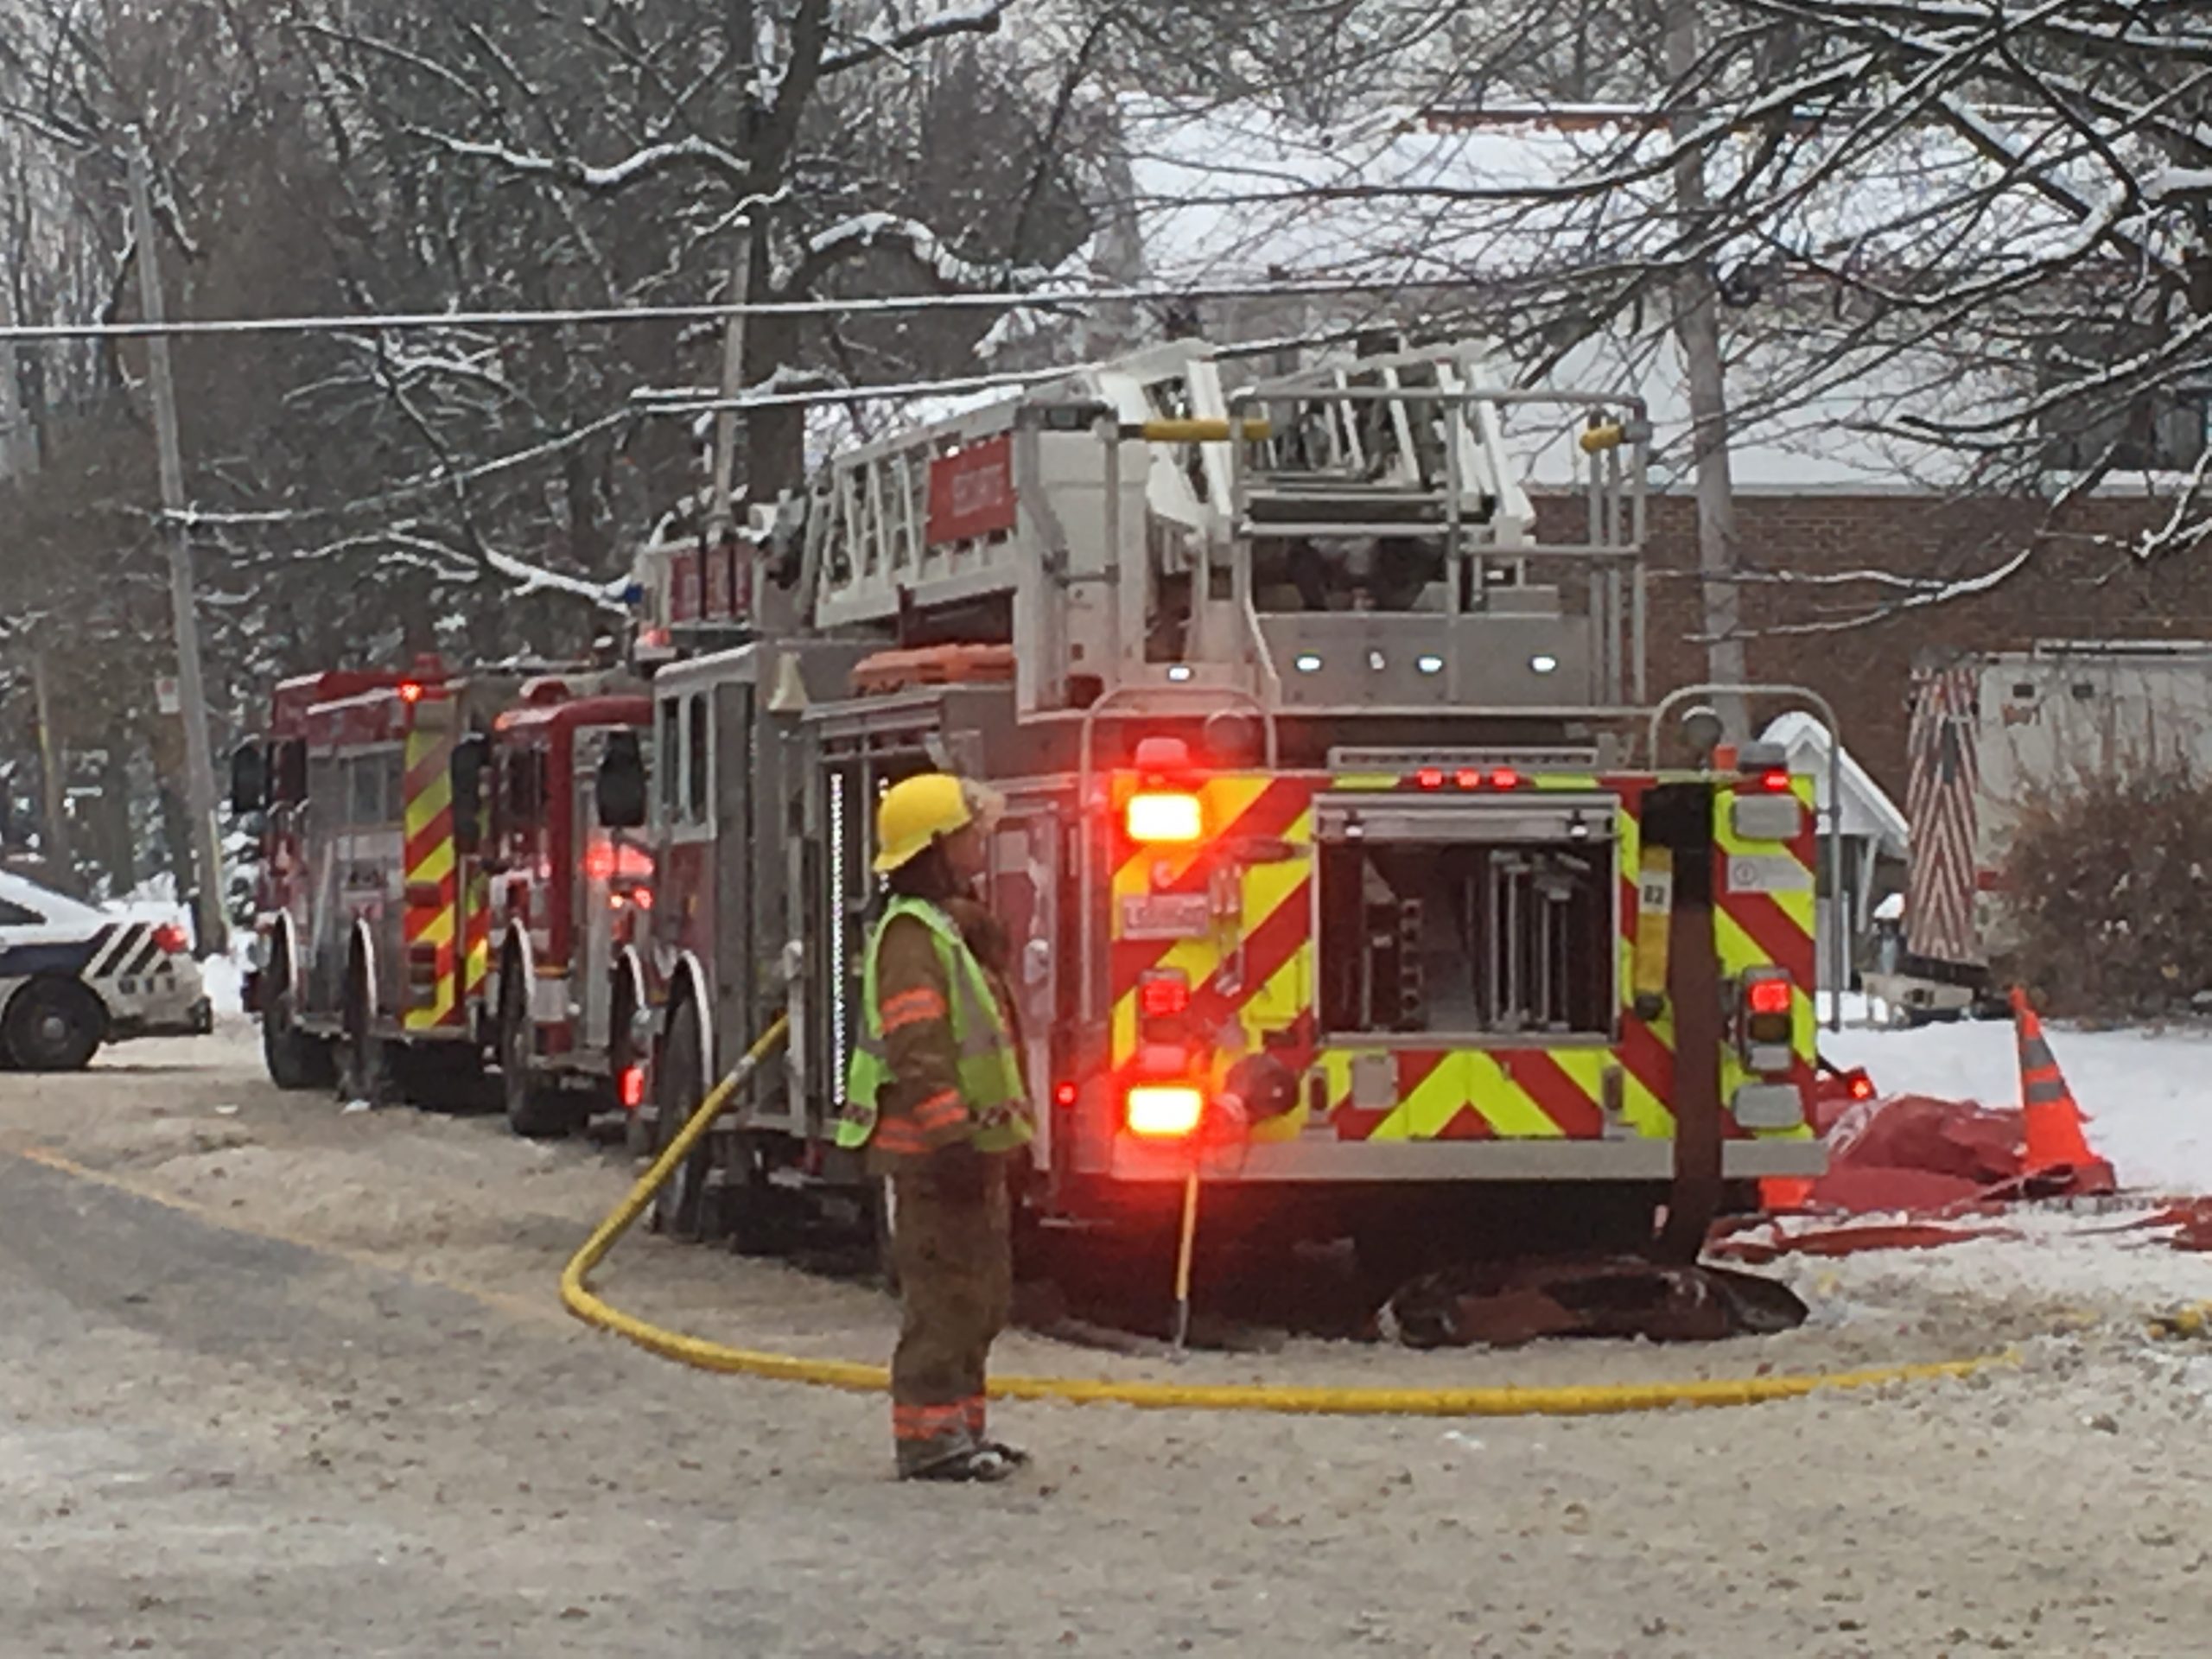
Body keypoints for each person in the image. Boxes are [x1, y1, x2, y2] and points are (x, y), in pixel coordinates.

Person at [837, 772, 1033, 1482]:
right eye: (966, 833)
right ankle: (927, 1442)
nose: (979, 842)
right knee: (943, 1298)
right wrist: (951, 1139)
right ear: (935, 847)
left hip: (970, 1150)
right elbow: (918, 1049)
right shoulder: (911, 936)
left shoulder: (949, 930)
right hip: (933, 1154)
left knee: (979, 1298)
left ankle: (962, 1432)